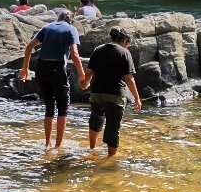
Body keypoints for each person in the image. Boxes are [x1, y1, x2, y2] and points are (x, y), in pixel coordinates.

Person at [19, 11, 87, 150]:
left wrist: (25, 68)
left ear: (58, 18)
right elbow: (74, 53)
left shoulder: (47, 27)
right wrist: (82, 75)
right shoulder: (71, 29)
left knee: (49, 106)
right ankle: (58, 146)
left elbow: (29, 47)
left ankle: (47, 143)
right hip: (57, 68)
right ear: (71, 20)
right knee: (63, 107)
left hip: (41, 68)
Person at [80, 27, 141, 157]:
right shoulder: (124, 53)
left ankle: (92, 149)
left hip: (97, 93)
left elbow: (89, 72)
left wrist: (85, 83)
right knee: (113, 127)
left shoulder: (98, 50)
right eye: (127, 44)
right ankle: (111, 159)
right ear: (124, 40)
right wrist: (137, 97)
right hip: (115, 95)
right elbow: (129, 79)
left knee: (95, 121)